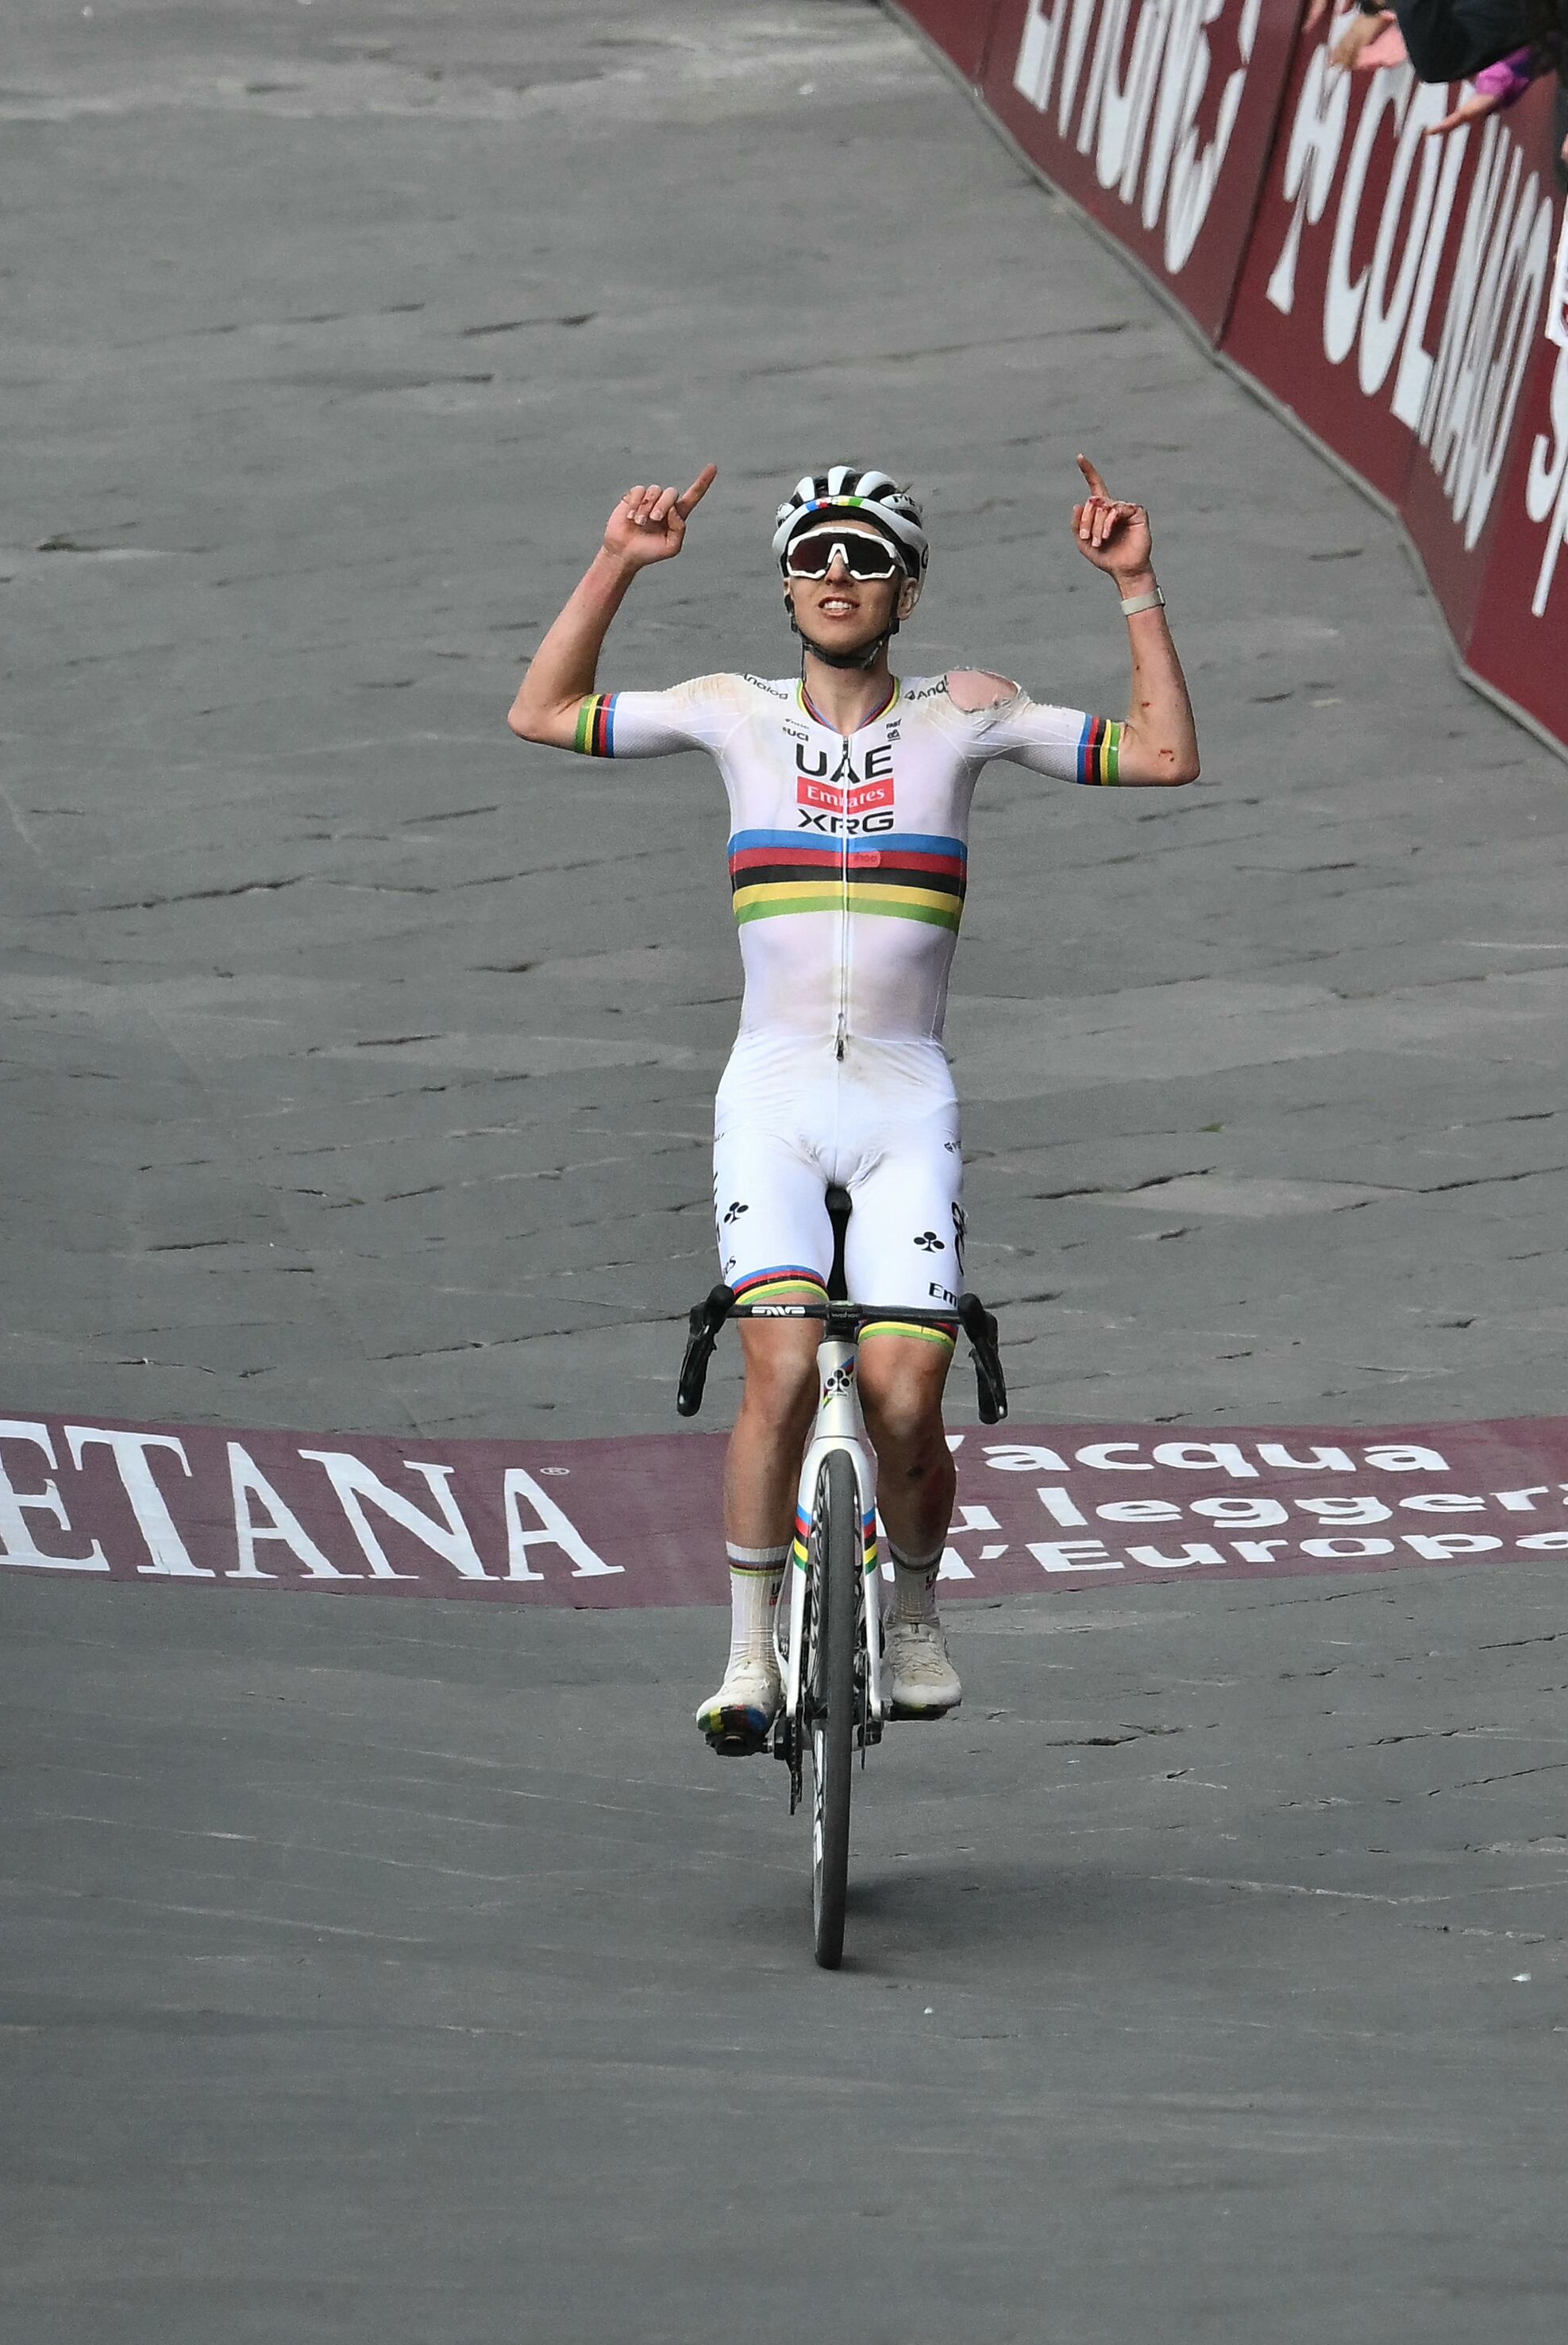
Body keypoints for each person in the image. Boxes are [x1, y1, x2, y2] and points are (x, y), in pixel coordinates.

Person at [506, 459, 1199, 1752]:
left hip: (899, 1101)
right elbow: (541, 712)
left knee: (901, 1396)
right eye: (816, 554)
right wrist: (619, 560)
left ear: (908, 590)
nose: (837, 574)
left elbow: (1163, 756)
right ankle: (745, 1657)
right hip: (770, 1096)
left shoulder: (967, 714)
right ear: (782, 582)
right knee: (773, 1368)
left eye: (867, 557)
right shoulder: (728, 710)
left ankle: (920, 1616)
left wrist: (1133, 586)